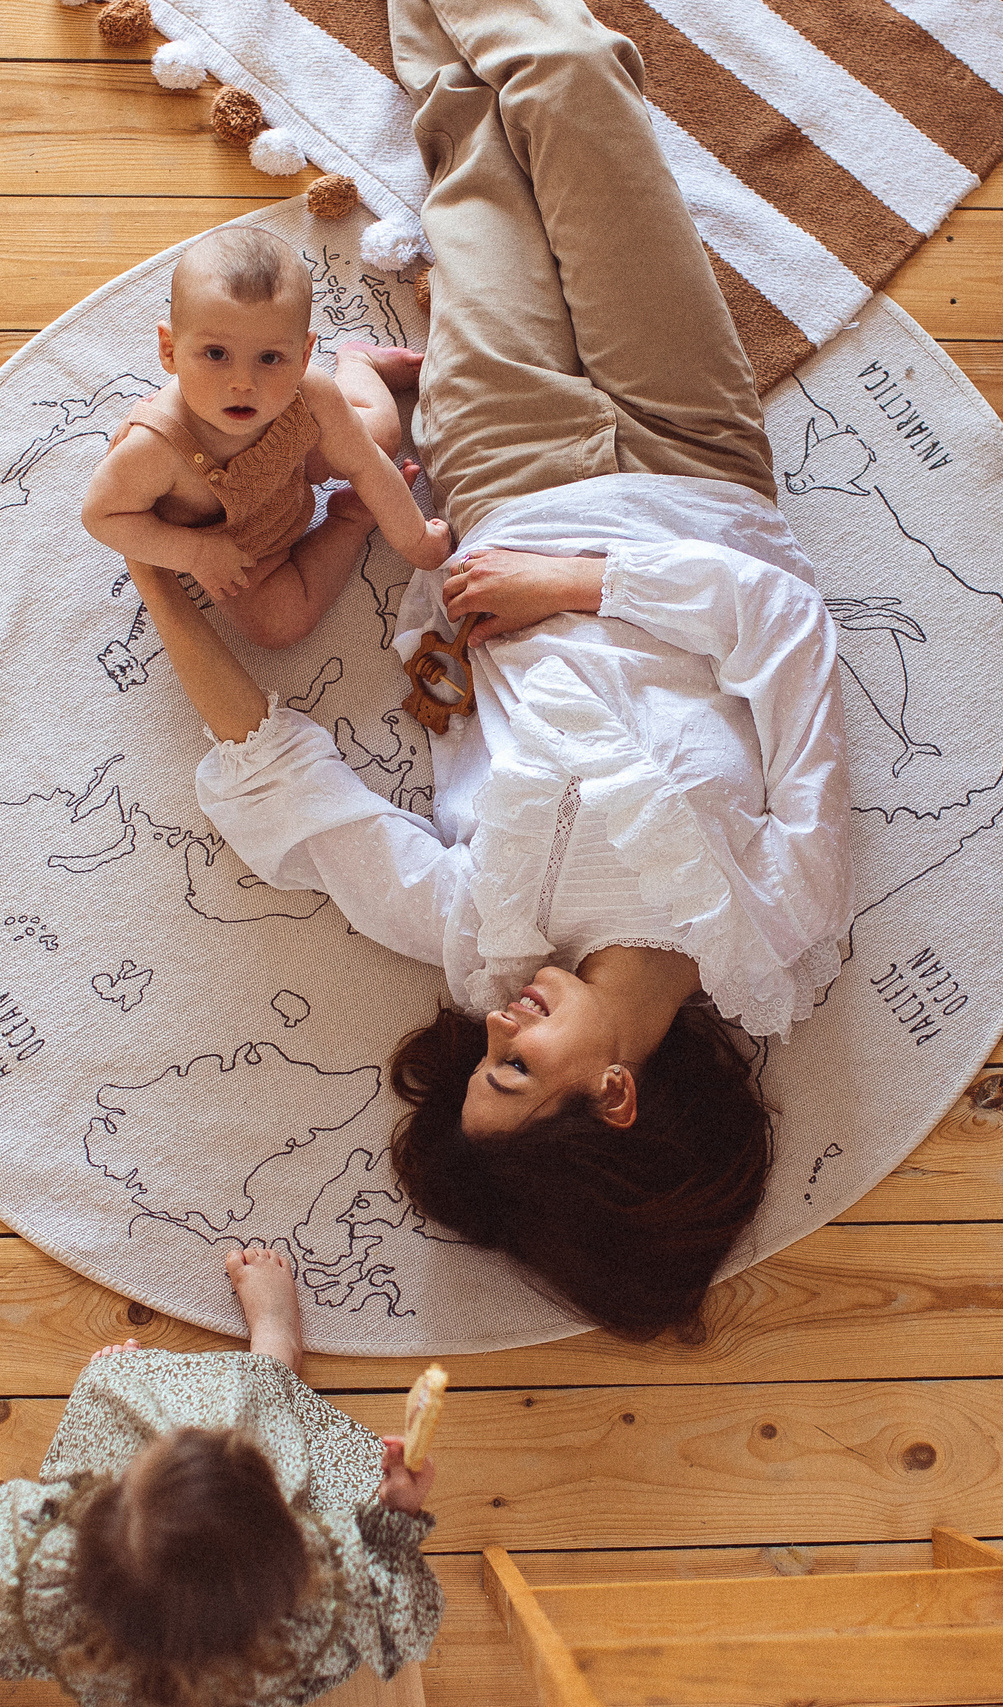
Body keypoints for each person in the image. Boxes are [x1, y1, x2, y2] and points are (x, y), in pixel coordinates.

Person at [122, 0, 852, 1341]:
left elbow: (292, 787)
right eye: (520, 1065)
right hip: (699, 469)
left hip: (508, 472)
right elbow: (790, 633)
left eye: (489, 1060)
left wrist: (150, 576)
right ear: (616, 1095)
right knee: (573, 85)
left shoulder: (478, 933)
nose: (499, 1026)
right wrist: (584, 589)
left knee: (475, 144)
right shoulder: (780, 916)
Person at [0, 1247, 441, 1706]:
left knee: (111, 1390)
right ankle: (275, 1353)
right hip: (265, 1666)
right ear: (292, 1544)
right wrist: (396, 1511)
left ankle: (132, 1394)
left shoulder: (36, 1590)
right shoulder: (328, 1604)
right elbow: (405, 1613)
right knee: (255, 1423)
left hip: (118, 1656)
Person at [84, 225, 454, 650]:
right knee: (277, 626)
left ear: (302, 357)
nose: (244, 382)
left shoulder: (309, 392)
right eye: (216, 354)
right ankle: (348, 522)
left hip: (291, 472)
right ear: (169, 350)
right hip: (237, 545)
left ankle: (360, 364)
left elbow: (364, 463)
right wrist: (195, 554)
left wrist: (415, 539)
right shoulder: (156, 448)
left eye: (270, 358)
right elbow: (101, 516)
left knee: (382, 437)